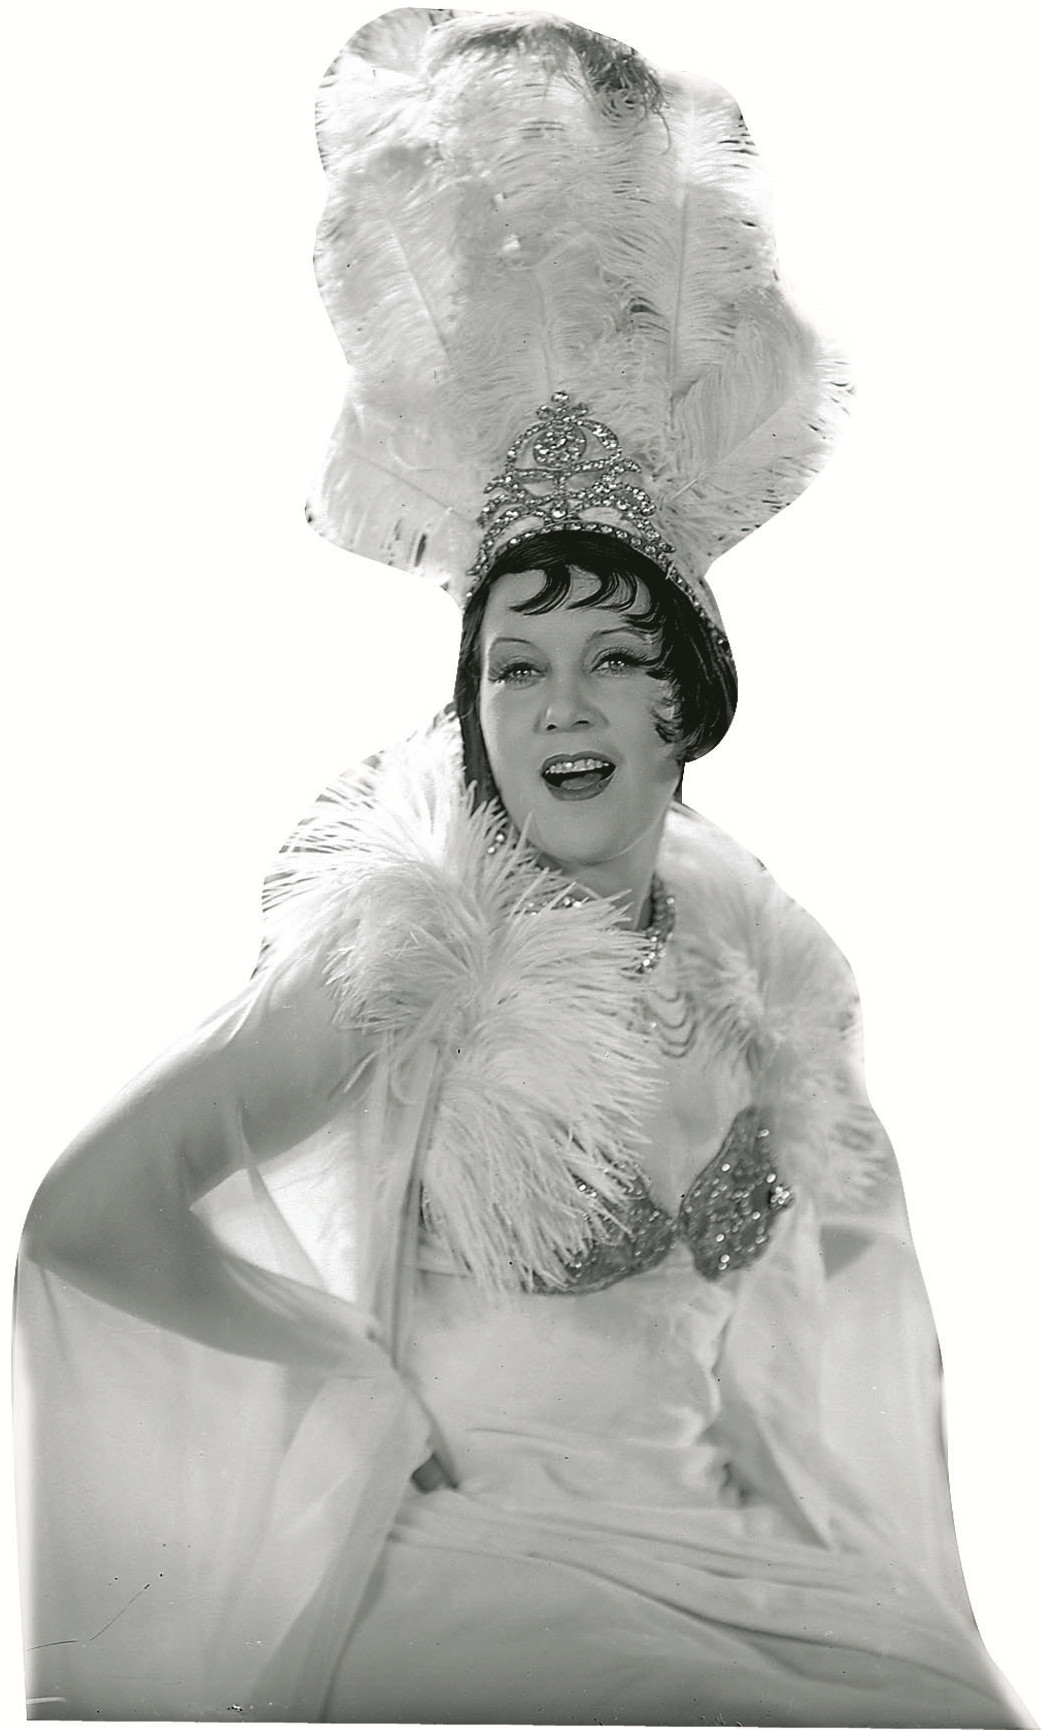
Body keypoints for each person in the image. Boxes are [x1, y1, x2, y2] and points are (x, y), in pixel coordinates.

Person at [13, 9, 1036, 1726]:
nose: (557, 705)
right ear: (471, 705)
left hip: (720, 1556)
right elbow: (86, 1214)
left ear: (684, 706)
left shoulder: (767, 998)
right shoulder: (406, 959)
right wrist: (355, 1405)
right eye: (513, 664)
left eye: (611, 658)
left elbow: (830, 1357)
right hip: (482, 1567)